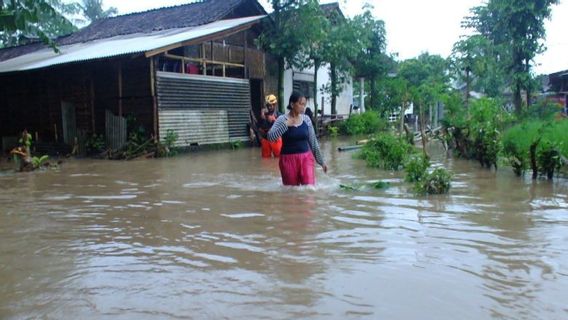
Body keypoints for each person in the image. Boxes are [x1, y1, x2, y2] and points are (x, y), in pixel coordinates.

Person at [268, 91, 327, 186]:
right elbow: (270, 137)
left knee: (309, 189)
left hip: (305, 158)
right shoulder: (282, 119)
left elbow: (313, 143)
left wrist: (321, 162)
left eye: (304, 104)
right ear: (292, 104)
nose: (303, 107)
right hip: (288, 160)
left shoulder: (306, 119)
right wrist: (285, 125)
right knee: (291, 193)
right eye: (300, 104)